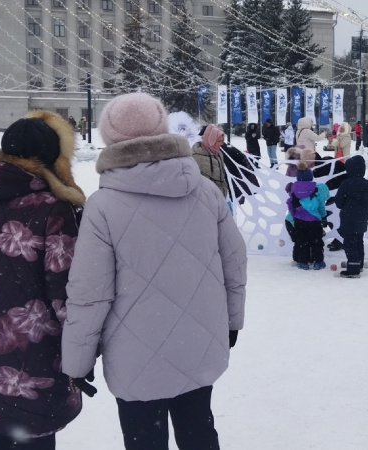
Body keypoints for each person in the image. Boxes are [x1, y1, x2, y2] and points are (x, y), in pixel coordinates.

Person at [61, 92, 247, 450]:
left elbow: (90, 292)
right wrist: (232, 322)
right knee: (199, 432)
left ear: (110, 138)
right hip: (198, 343)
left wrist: (78, 360)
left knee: (144, 440)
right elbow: (234, 262)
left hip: (134, 355)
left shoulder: (102, 206)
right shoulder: (206, 192)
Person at [0, 111, 87, 450]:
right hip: (34, 349)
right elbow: (66, 290)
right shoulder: (53, 209)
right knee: (33, 432)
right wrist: (83, 351)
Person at [334, 155, 368, 278]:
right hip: (362, 219)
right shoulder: (367, 184)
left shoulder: (346, 184)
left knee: (349, 243)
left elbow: (338, 201)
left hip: (348, 219)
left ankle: (353, 269)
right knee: (358, 242)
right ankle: (359, 263)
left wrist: (345, 206)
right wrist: (366, 207)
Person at [287, 162, 328, 270]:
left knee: (302, 242)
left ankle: (303, 262)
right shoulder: (316, 189)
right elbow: (320, 205)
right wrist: (323, 216)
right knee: (317, 242)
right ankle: (318, 261)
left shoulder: (294, 190)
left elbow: (290, 204)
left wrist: (294, 214)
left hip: (300, 220)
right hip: (315, 220)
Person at [192, 123, 228, 197]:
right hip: (204, 201)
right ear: (211, 140)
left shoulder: (219, 154)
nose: (221, 144)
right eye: (219, 141)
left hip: (220, 198)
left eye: (222, 141)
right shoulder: (196, 156)